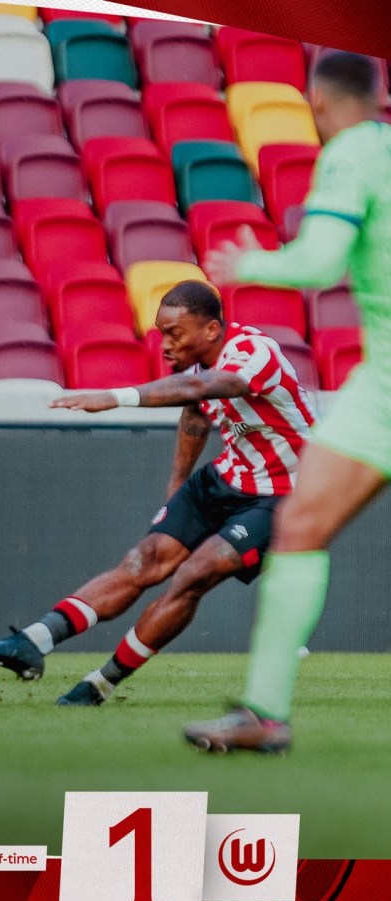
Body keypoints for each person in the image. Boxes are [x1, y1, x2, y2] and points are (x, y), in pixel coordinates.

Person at [0, 280, 315, 751]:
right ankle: (34, 642)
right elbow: (196, 414)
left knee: (195, 573)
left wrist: (116, 396)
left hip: (280, 494)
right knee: (142, 562)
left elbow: (203, 387)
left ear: (213, 328)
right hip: (223, 479)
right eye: (161, 334)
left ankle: (99, 684)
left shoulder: (255, 352)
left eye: (175, 333)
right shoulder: (200, 363)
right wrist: (177, 489)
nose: (166, 344)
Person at [184, 50, 391, 753]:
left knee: (301, 527)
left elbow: (320, 260)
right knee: (298, 524)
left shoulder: (352, 153)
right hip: (380, 384)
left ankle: (265, 714)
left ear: (319, 103)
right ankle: (263, 716)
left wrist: (249, 265)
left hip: (386, 385)